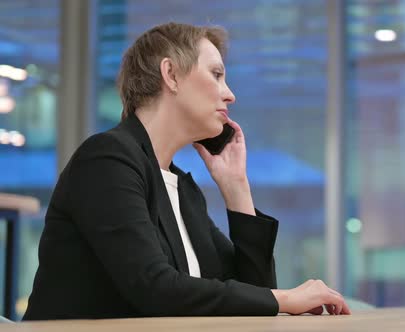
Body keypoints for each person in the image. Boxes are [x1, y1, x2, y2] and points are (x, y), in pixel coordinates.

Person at [23, 22, 350, 320]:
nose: (230, 93)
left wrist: (236, 187)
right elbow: (155, 288)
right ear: (172, 75)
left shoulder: (181, 188)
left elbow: (254, 300)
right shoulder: (106, 160)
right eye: (217, 74)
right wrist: (286, 299)